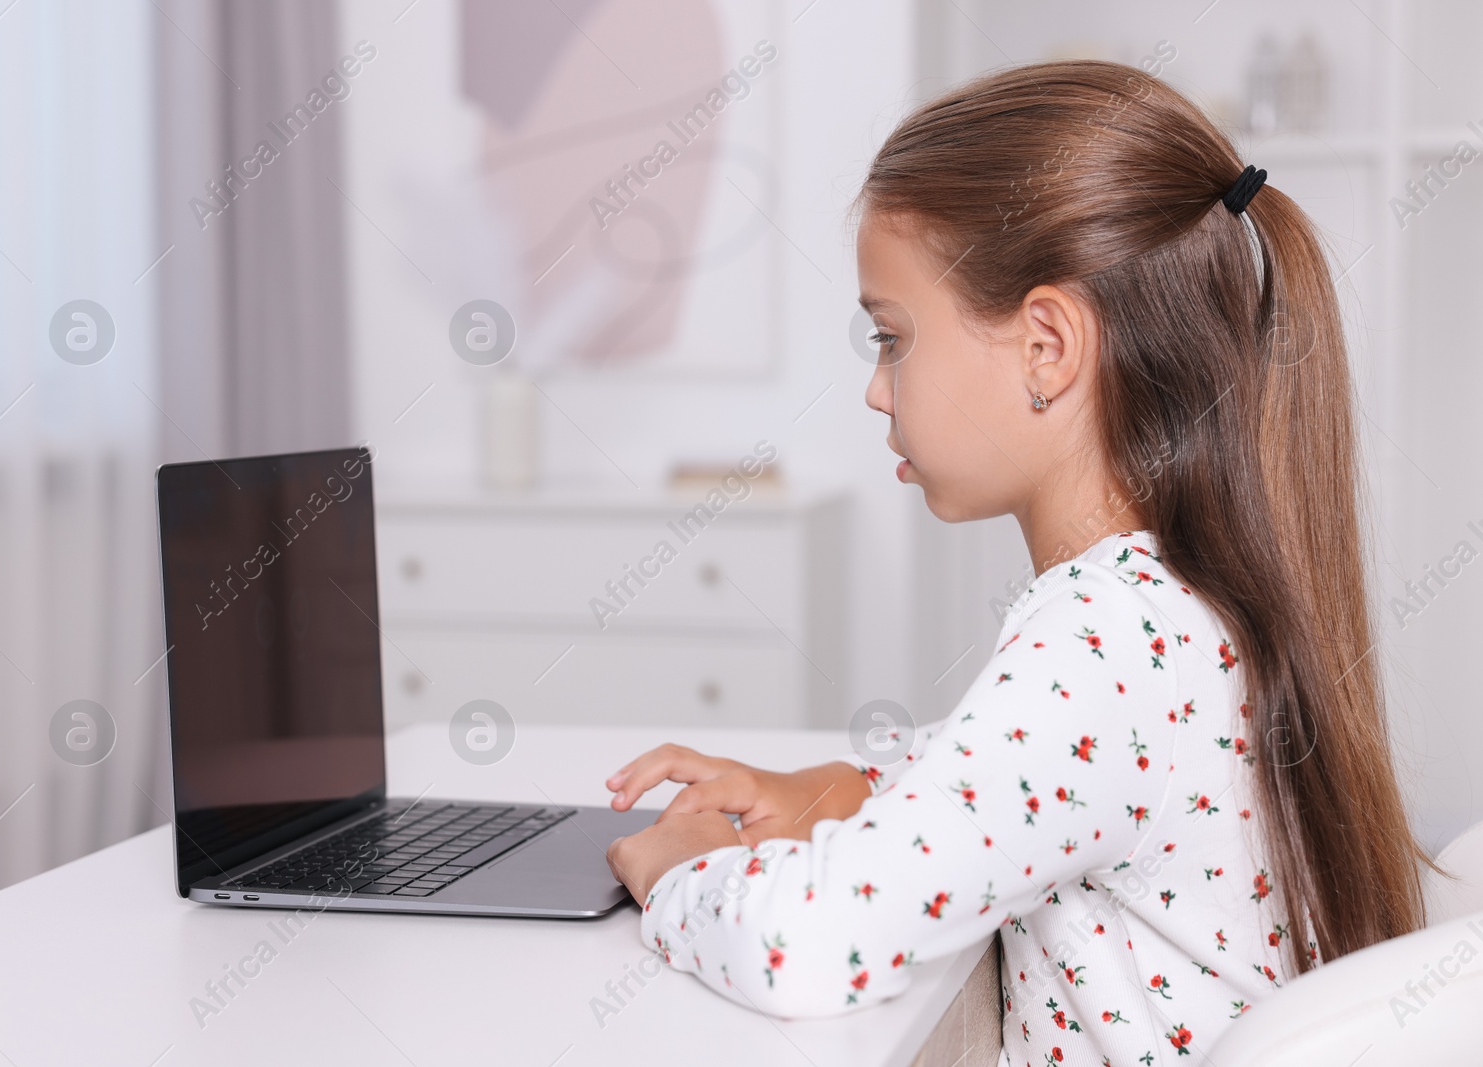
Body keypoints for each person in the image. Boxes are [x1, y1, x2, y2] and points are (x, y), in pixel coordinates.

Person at [602, 59, 1434, 1066]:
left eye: (891, 337)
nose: (876, 390)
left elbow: (809, 947)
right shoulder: (1172, 602)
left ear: (1046, 346)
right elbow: (1018, 776)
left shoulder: (1100, 637)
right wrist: (830, 789)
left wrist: (678, 869)